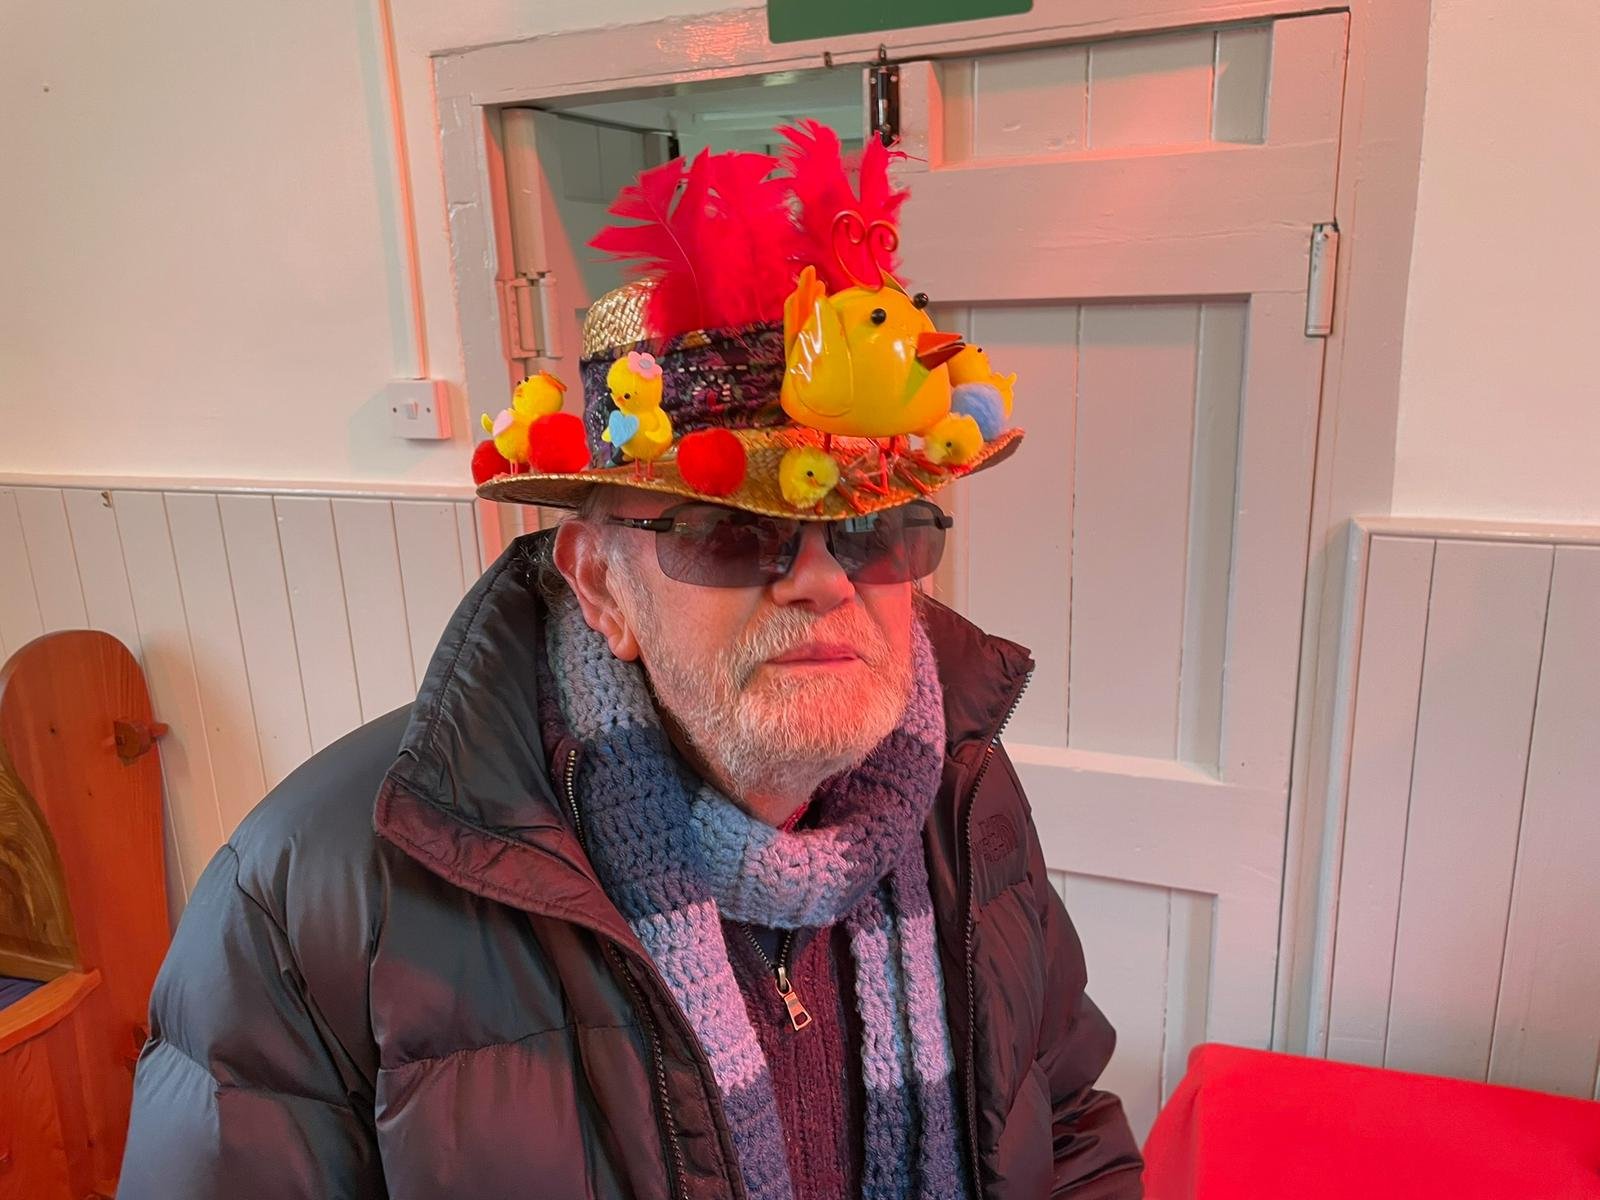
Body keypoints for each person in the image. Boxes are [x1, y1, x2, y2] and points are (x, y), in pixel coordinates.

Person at [120, 121, 1142, 1199]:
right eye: (732, 533)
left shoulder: (962, 791)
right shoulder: (313, 894)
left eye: (874, 527)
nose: (823, 580)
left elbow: (1064, 1123)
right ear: (604, 586)